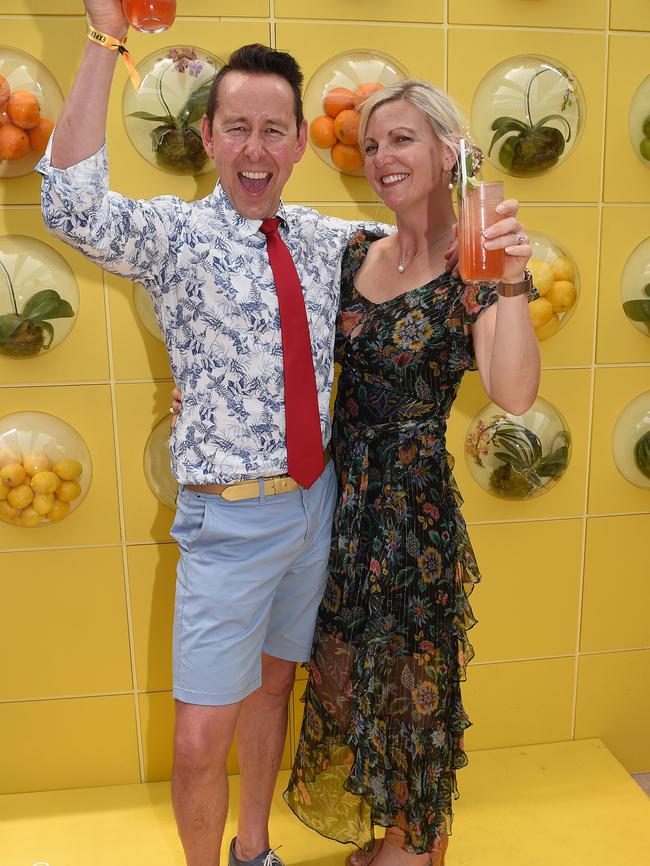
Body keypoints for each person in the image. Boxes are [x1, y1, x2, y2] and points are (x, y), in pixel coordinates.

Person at [37, 4, 398, 865]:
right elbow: (69, 205)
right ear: (208, 135)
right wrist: (104, 40)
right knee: (201, 739)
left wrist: (473, 208)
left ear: (301, 144)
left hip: (316, 508)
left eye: (275, 130)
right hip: (228, 527)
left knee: (276, 687)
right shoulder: (173, 235)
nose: (256, 150)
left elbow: (422, 246)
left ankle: (255, 850)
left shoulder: (330, 240)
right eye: (237, 127)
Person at [281, 80, 540, 866]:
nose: (383, 158)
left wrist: (514, 279)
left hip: (411, 505)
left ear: (448, 152)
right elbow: (292, 344)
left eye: (402, 140)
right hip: (340, 496)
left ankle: (415, 842)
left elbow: (513, 390)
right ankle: (399, 826)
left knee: (413, 681)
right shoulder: (355, 252)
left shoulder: (476, 264)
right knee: (348, 673)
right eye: (373, 145)